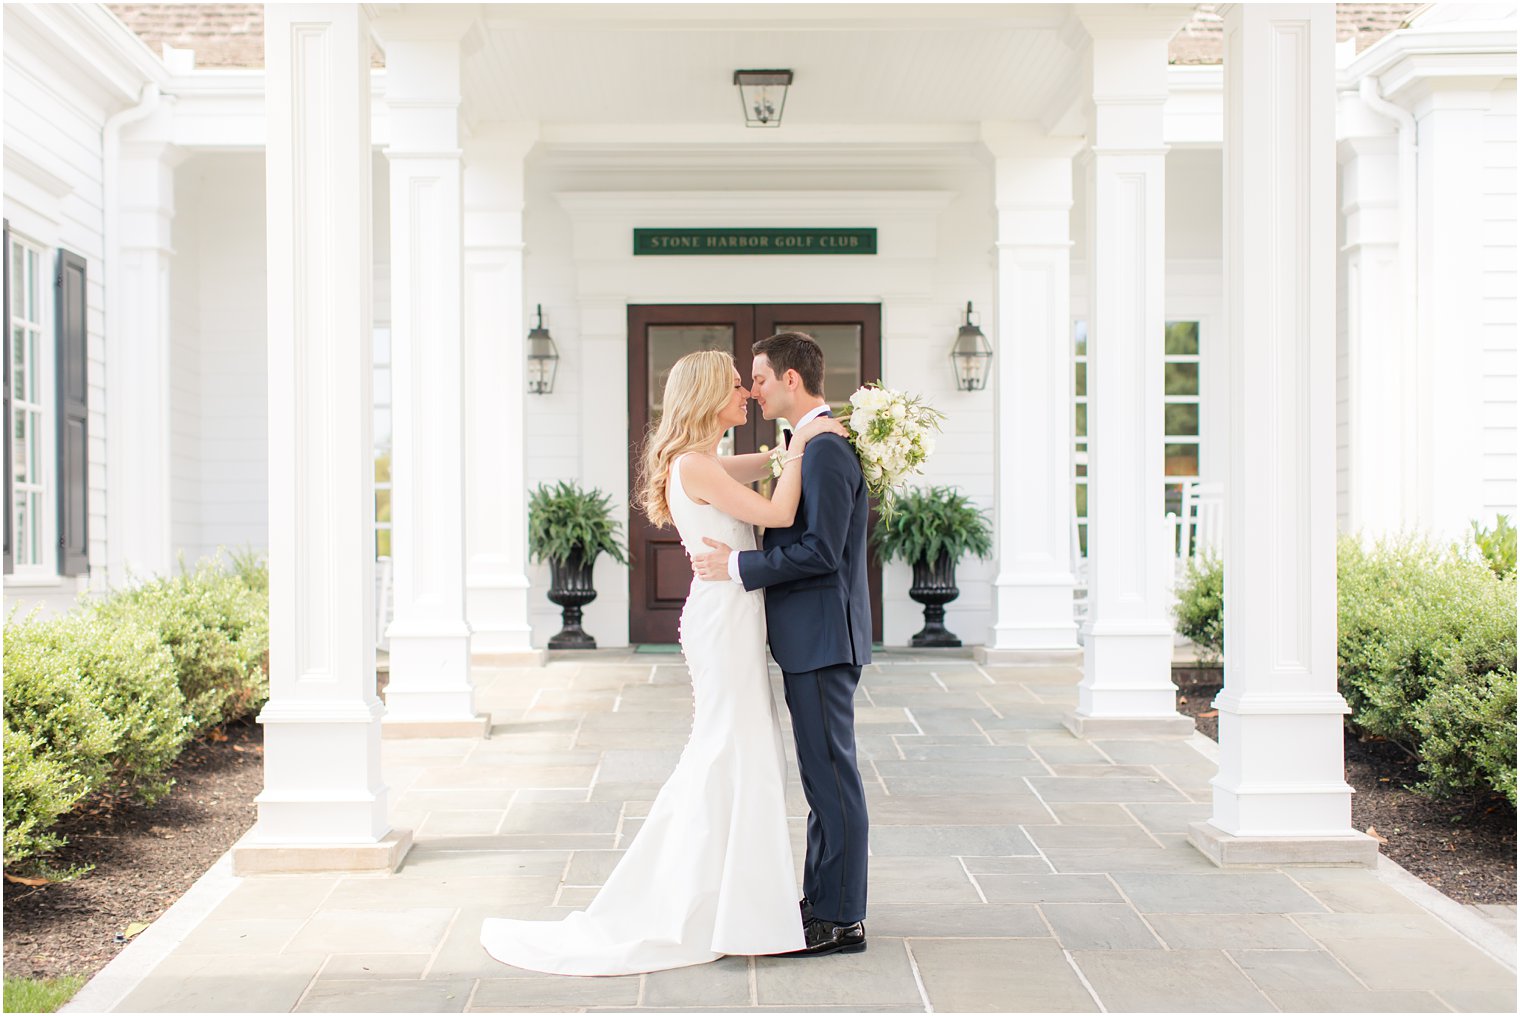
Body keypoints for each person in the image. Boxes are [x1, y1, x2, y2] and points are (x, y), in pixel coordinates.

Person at [480, 348, 845, 975]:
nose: (746, 395)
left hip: (728, 615)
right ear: (707, 396)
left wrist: (804, 439)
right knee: (734, 749)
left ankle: (739, 903)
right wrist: (811, 438)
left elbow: (773, 462)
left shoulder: (702, 462)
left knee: (737, 750)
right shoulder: (695, 466)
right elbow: (782, 510)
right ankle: (723, 906)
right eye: (736, 387)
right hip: (723, 621)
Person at [690, 330, 872, 958]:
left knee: (831, 780)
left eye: (761, 378)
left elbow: (821, 550)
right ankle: (823, 903)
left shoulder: (823, 448)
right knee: (822, 778)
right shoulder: (808, 445)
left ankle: (842, 918)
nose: (755, 389)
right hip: (813, 637)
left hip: (823, 637)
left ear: (791, 380)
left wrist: (740, 568)